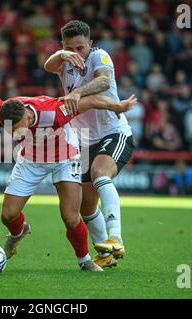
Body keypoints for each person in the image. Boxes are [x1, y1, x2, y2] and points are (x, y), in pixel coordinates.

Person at [0, 90, 136, 271]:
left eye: (16, 129)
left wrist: (117, 106)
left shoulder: (54, 112)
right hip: (31, 160)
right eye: (9, 130)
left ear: (28, 118)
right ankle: (18, 232)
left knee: (70, 217)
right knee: (8, 216)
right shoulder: (0, 111)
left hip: (65, 158)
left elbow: (91, 101)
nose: (13, 134)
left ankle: (84, 261)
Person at [44, 20, 135, 268]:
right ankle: (105, 254)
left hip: (113, 132)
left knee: (99, 173)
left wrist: (77, 92)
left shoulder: (99, 56)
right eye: (70, 48)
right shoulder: (64, 61)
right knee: (85, 205)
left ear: (90, 44)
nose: (77, 53)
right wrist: (62, 54)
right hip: (82, 140)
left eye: (80, 48)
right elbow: (47, 65)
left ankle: (116, 237)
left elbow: (104, 82)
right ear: (63, 46)